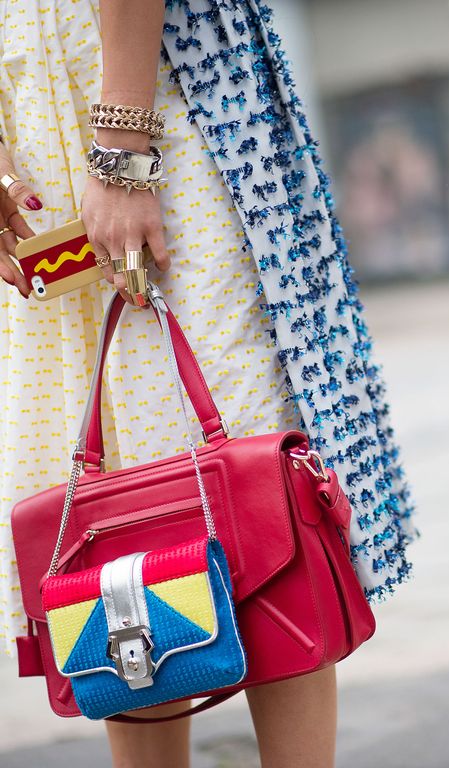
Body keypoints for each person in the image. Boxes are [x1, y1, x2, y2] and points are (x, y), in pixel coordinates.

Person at [0, 1, 418, 766]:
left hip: (147, 93)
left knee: (245, 486)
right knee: (112, 520)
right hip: (32, 120)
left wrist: (122, 151)